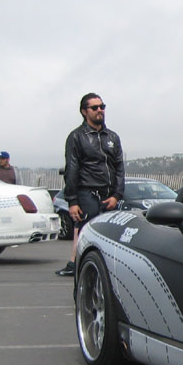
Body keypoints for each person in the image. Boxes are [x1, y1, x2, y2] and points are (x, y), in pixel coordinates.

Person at [56, 94, 124, 276]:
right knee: (85, 229)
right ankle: (78, 265)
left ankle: (106, 267)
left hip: (109, 194)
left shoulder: (113, 137)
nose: (100, 110)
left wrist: (117, 195)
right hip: (87, 191)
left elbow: (119, 168)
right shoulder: (76, 137)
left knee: (109, 233)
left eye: (102, 106)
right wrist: (72, 201)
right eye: (95, 108)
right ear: (84, 112)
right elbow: (72, 169)